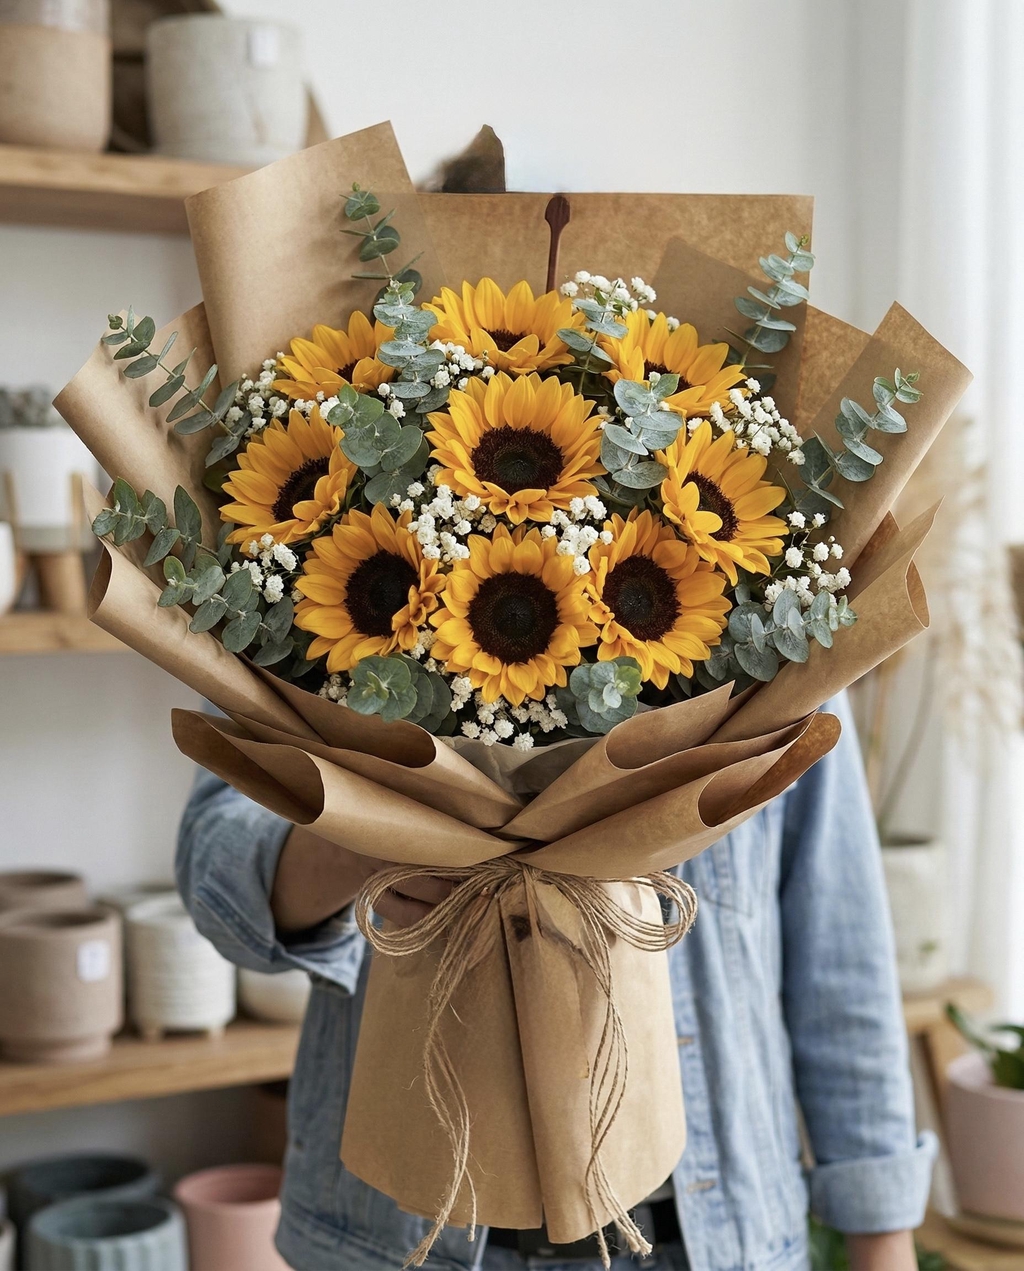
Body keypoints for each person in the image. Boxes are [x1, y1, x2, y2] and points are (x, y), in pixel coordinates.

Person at [176, 693, 935, 1271]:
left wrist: (883, 1238)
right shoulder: (323, 558)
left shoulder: (763, 584)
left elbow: (839, 955)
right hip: (404, 1240)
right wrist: (358, 836)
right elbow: (218, 875)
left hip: (710, 1235)